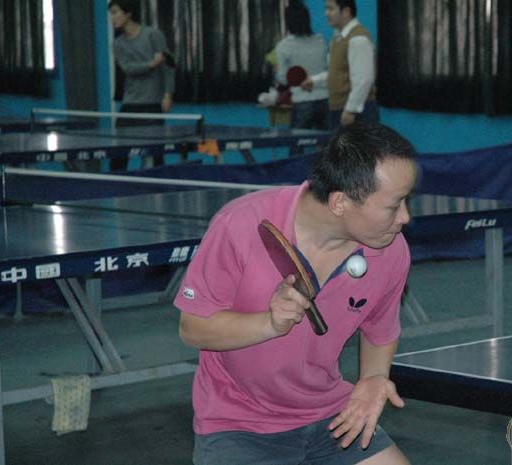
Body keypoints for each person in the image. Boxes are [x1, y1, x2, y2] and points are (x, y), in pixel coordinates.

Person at [174, 123, 415, 465]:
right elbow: (193, 328)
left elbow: (380, 330)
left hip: (333, 415)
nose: (405, 217)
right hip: (239, 425)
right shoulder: (239, 224)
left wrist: (374, 378)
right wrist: (269, 324)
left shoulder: (390, 250)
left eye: (407, 200)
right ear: (340, 202)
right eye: (394, 206)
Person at [108, 0, 175, 171]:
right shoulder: (117, 44)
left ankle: (159, 185)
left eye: (115, 12)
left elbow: (168, 66)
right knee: (118, 153)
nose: (112, 18)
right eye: (111, 14)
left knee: (155, 153)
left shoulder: (153, 35)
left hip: (152, 103)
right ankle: (115, 183)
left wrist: (168, 94)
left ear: (128, 13)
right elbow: (128, 69)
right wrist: (151, 64)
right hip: (130, 103)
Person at [301, 0, 378, 129]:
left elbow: (363, 80)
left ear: (346, 11)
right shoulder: (338, 38)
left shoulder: (358, 39)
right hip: (340, 109)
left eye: (331, 9)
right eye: (326, 9)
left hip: (357, 112)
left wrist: (351, 110)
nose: (326, 13)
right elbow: (337, 72)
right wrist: (314, 81)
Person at [276, 1, 329, 131]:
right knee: (328, 141)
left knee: (297, 141)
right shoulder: (321, 40)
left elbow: (283, 79)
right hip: (325, 99)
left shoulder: (283, 46)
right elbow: (329, 70)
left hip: (301, 101)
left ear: (288, 22)